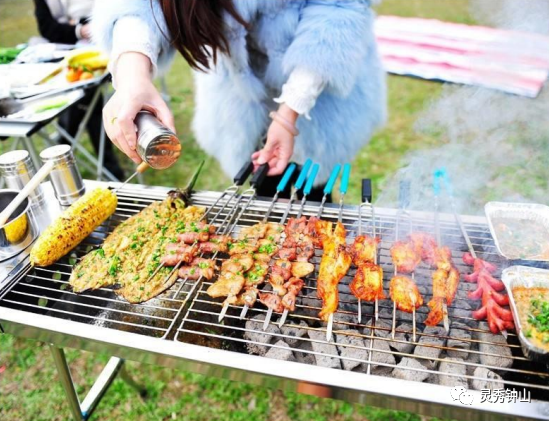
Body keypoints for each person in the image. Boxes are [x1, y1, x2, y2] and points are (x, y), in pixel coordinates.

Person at [93, 0, 386, 199]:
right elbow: (140, 6)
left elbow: (339, 9)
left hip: (317, 82)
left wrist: (289, 112)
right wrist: (133, 78)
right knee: (266, 189)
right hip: (236, 92)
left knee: (314, 189)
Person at [33, 0, 125, 180]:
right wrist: (78, 30)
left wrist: (79, 25)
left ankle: (65, 143)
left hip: (103, 52)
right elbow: (49, 30)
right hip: (65, 57)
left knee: (87, 95)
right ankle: (108, 166)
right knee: (87, 97)